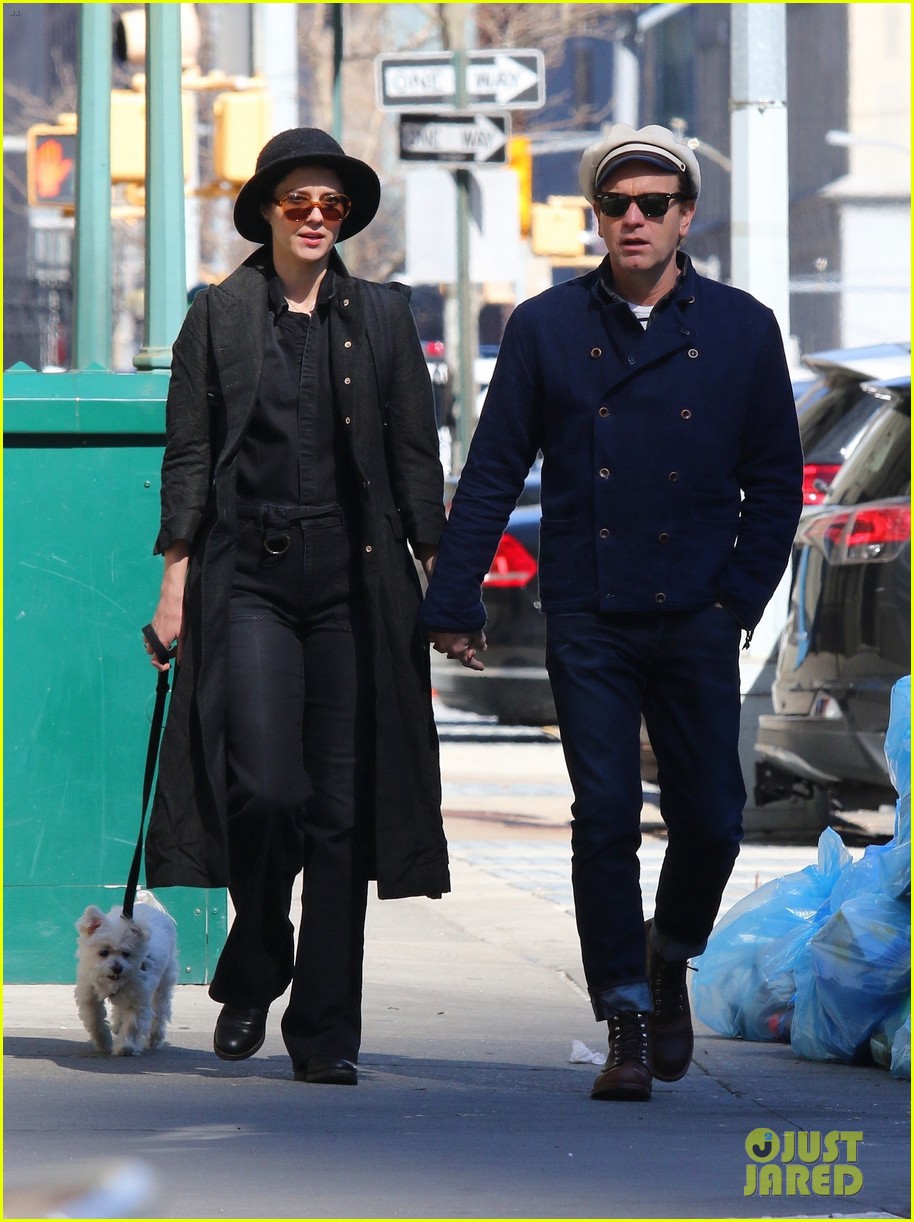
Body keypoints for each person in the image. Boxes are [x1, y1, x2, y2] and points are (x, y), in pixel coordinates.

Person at [420, 123, 803, 1102]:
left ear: (683, 216)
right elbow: (494, 466)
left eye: (650, 204)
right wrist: (450, 597)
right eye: (613, 206)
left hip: (696, 609)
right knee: (600, 817)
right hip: (589, 605)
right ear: (594, 218)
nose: (630, 220)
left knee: (712, 817)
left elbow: (774, 481)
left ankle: (668, 953)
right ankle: (624, 1016)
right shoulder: (547, 327)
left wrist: (736, 597)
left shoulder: (741, 327)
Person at [143, 128, 450, 1086]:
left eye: (333, 205)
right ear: (267, 212)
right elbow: (190, 456)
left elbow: (414, 458)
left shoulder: (387, 319)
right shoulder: (219, 316)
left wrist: (443, 582)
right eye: (298, 203)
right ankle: (259, 954)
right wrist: (174, 586)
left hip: (356, 583)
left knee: (343, 816)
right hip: (252, 578)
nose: (318, 218)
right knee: (266, 789)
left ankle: (324, 1034)